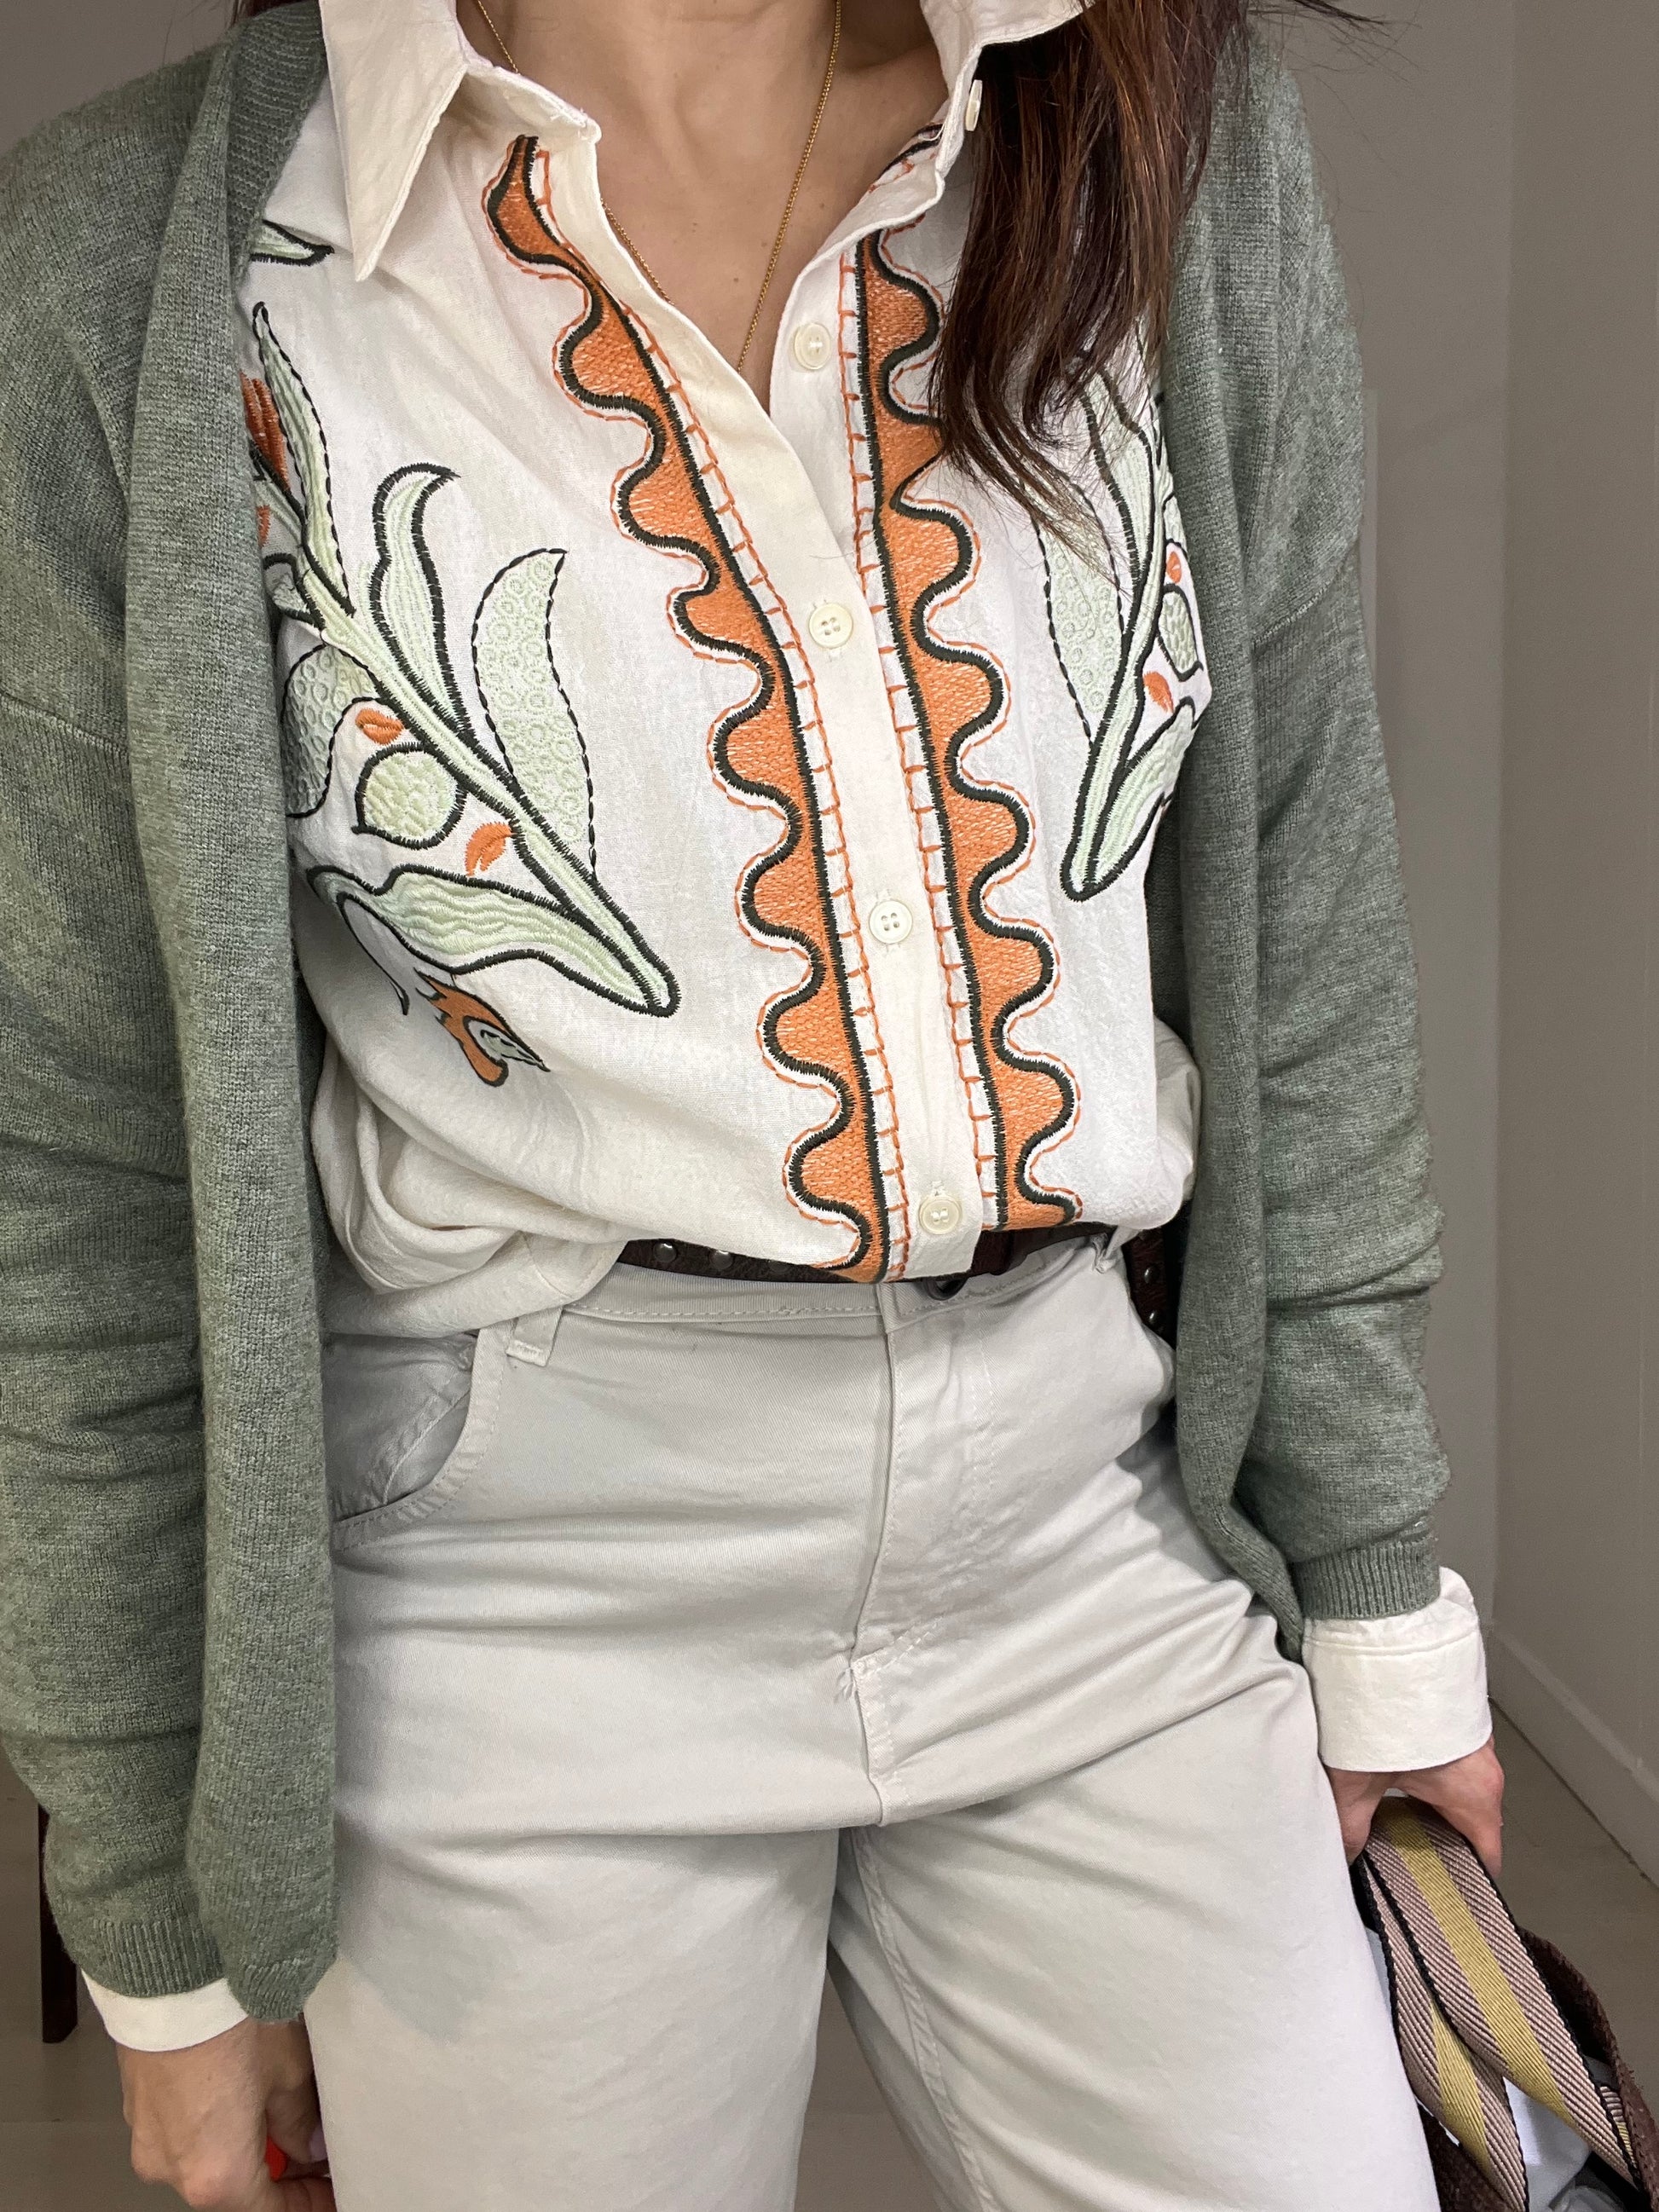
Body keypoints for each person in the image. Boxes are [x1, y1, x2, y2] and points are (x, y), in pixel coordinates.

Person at [0, 0, 1506, 2204]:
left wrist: (1374, 1597)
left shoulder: (1159, 136)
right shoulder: (134, 257)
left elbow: (1309, 921)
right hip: (511, 1592)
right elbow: (77, 1153)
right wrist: (157, 1920)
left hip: (1091, 1524)